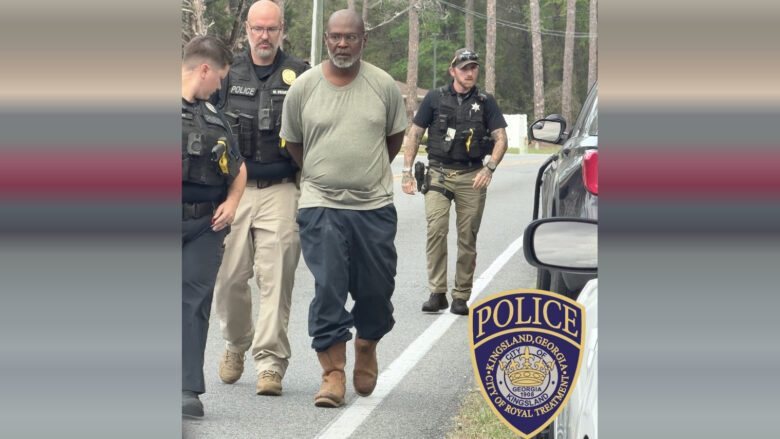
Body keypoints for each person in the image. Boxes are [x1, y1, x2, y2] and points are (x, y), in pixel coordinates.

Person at [279, 9, 406, 408]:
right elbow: (294, 143)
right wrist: (322, 175)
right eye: (335, 36)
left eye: (350, 37)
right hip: (321, 204)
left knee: (375, 289)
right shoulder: (304, 87)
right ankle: (332, 373)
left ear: (363, 41)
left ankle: (366, 343)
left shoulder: (383, 85)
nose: (342, 44)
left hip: (374, 206)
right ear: (326, 40)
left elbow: (394, 138)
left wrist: (363, 174)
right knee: (329, 286)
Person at [210, 0, 309, 396]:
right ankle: (236, 342)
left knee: (277, 277)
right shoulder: (227, 72)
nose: (264, 36)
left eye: (271, 29)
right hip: (234, 190)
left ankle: (270, 362)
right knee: (229, 277)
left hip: (282, 188)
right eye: (257, 29)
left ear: (282, 29)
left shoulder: (301, 74)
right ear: (247, 29)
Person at [401, 48, 508, 316]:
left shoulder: (486, 102)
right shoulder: (435, 99)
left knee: (467, 236)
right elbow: (414, 134)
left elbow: (501, 138)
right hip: (438, 172)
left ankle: (461, 295)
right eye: (464, 68)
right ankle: (437, 293)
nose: (470, 72)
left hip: (472, 176)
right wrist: (405, 171)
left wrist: (490, 168)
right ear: (453, 71)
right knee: (436, 229)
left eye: (473, 68)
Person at [181, 35, 247, 418]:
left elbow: (238, 170)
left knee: (194, 302)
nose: (220, 86)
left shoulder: (216, 117)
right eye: (219, 78)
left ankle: (187, 388)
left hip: (206, 224)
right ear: (203, 69)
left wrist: (233, 203)